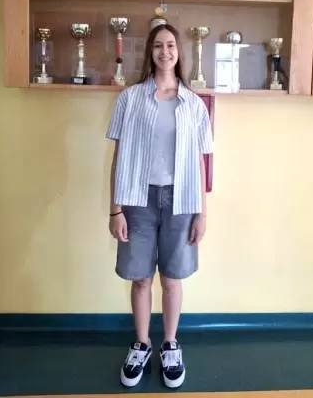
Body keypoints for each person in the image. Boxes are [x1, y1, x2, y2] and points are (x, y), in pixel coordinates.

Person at [106, 23, 213, 389]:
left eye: (170, 45)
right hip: (138, 199)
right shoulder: (130, 98)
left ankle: (169, 344)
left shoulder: (193, 104)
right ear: (150, 52)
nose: (164, 51)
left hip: (180, 200)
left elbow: (199, 162)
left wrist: (202, 213)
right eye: (157, 45)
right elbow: (118, 157)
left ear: (179, 52)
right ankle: (141, 344)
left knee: (172, 277)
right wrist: (115, 209)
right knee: (140, 277)